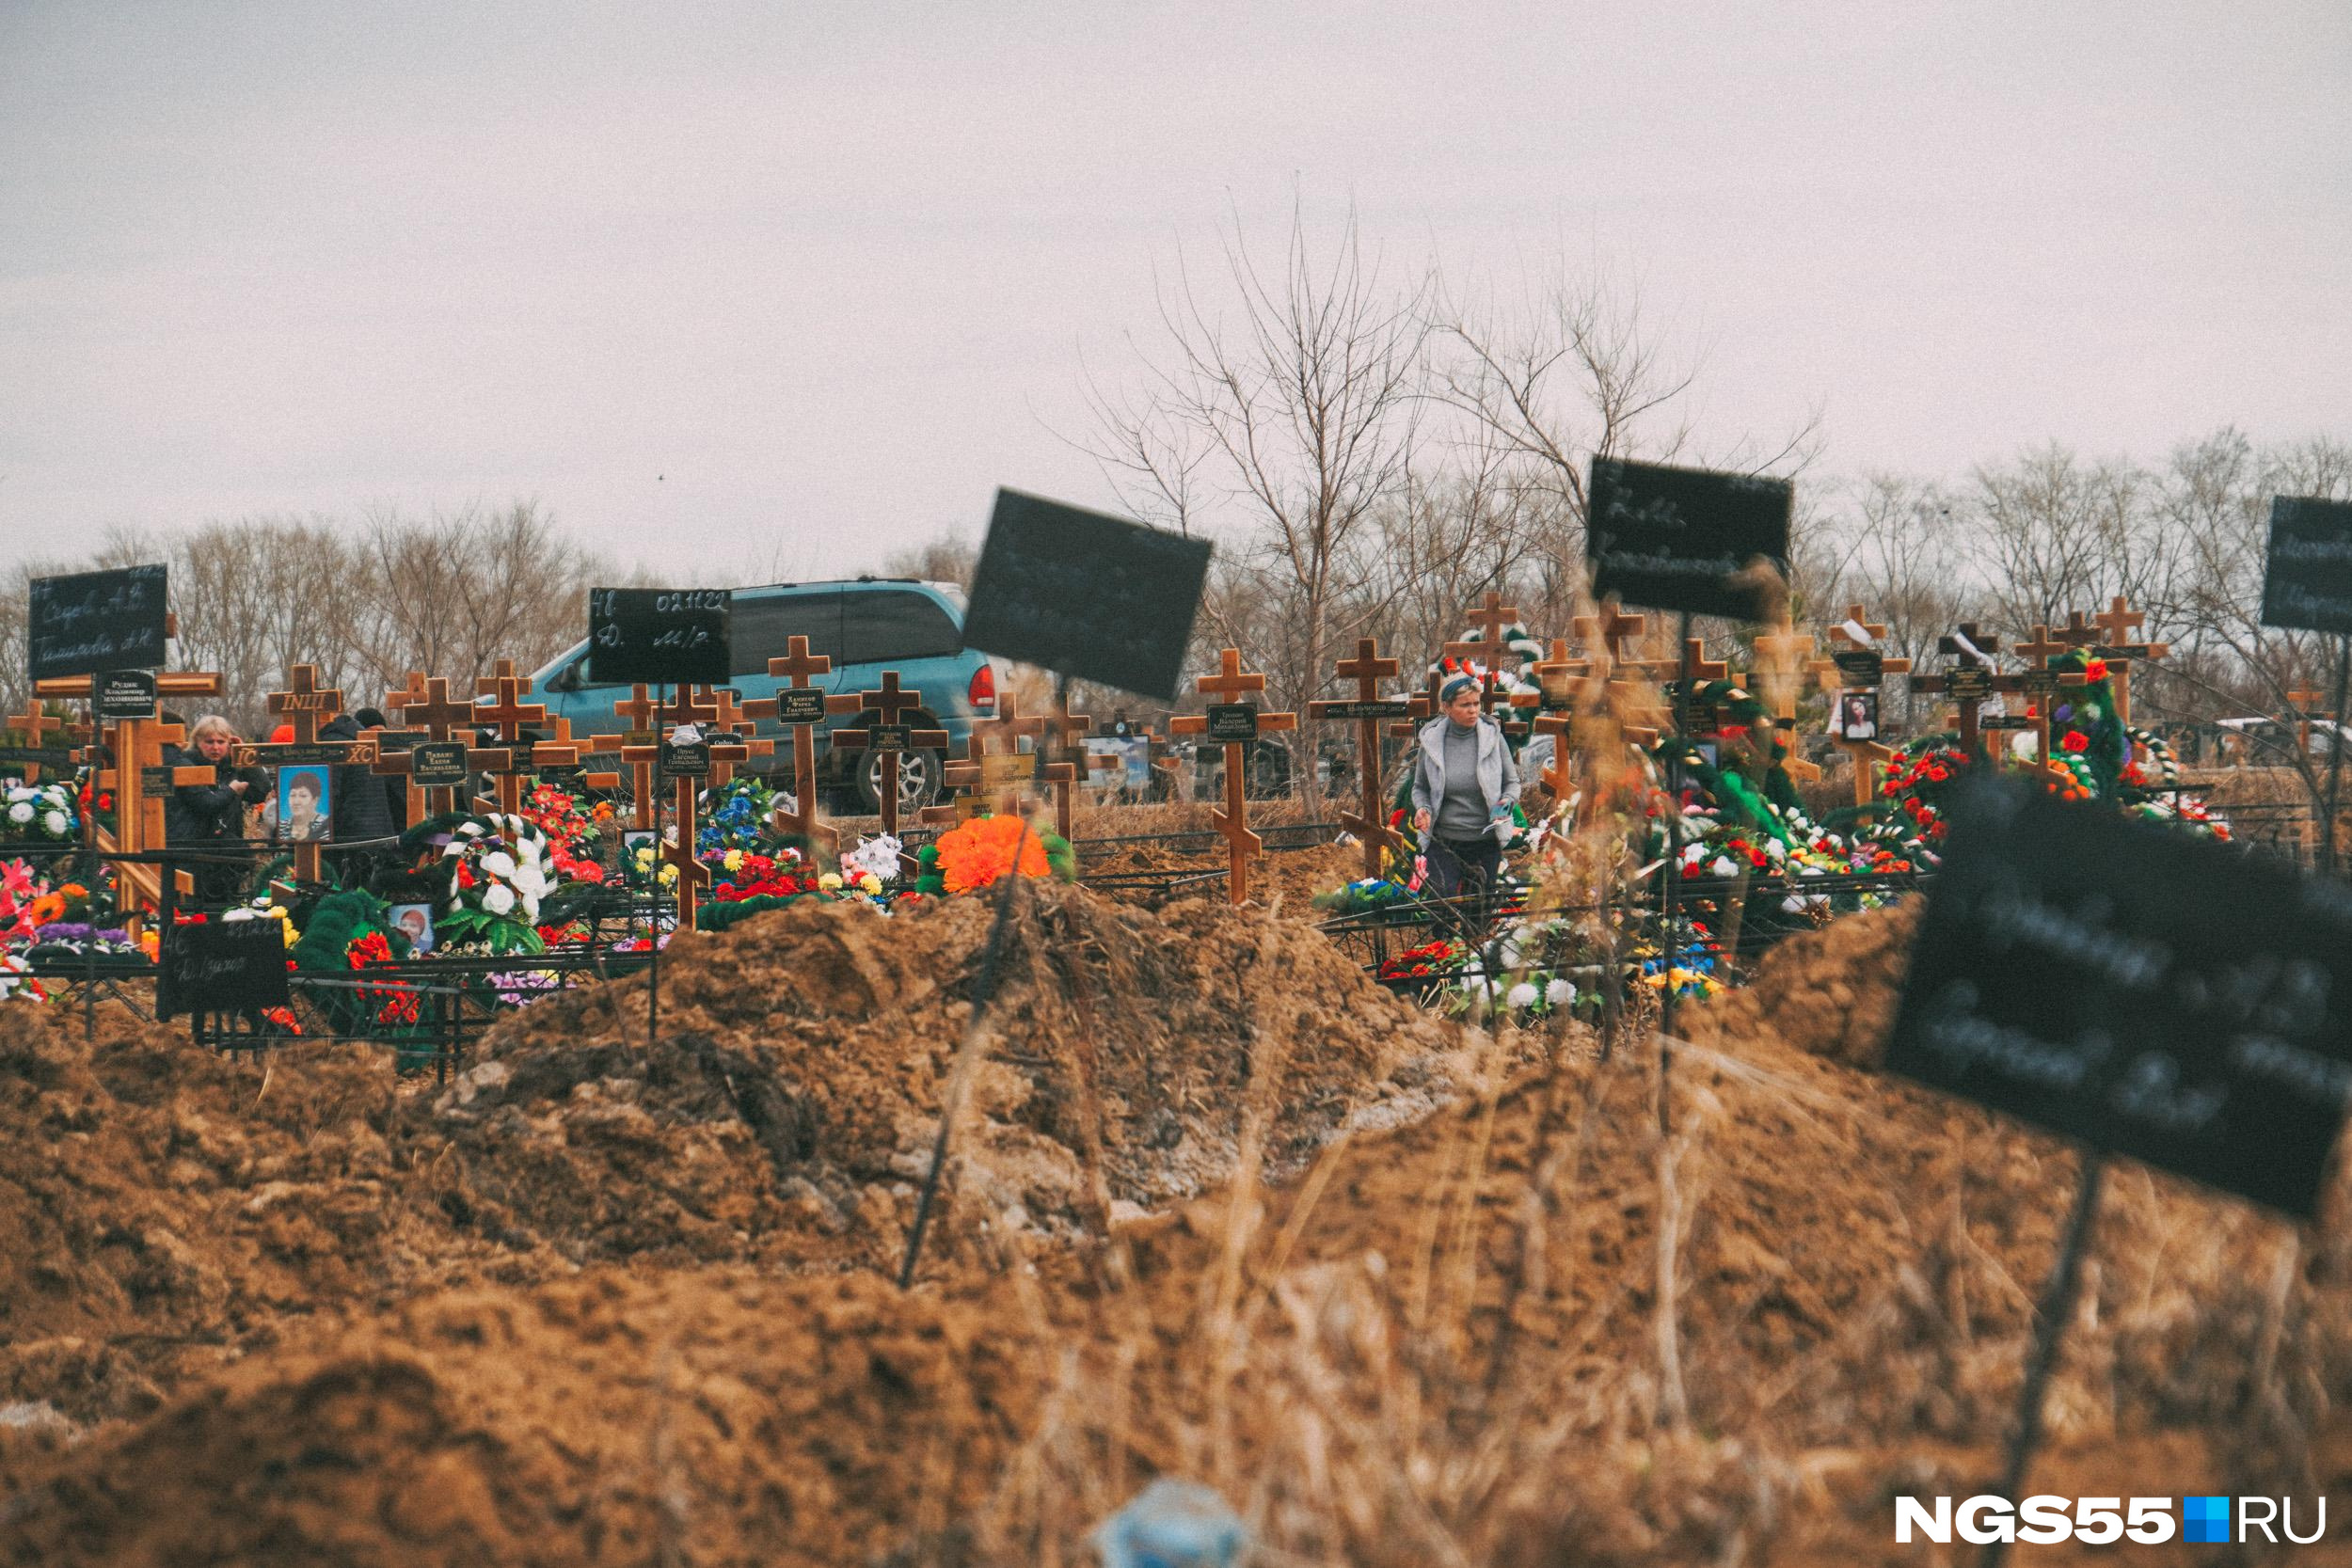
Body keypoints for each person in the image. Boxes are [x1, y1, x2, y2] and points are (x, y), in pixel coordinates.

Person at [1410, 671, 1519, 900]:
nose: (1473, 710)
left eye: (1476, 703)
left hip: (1486, 840)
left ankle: (1477, 937)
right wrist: (1423, 809)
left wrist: (1505, 804)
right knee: (1442, 902)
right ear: (1447, 707)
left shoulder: (1493, 737)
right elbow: (1419, 787)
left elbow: (1511, 783)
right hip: (1444, 841)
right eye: (1465, 705)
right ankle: (1442, 938)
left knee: (1479, 908)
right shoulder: (1431, 742)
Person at [165, 715, 265, 904]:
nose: (216, 747)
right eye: (209, 742)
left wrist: (246, 755)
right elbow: (204, 804)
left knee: (228, 907)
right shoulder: (187, 766)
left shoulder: (232, 767)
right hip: (197, 851)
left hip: (228, 850)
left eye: (221, 741)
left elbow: (260, 791)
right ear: (197, 742)